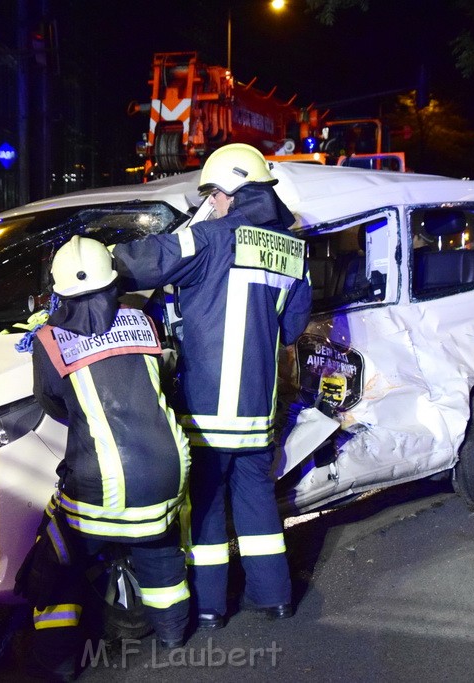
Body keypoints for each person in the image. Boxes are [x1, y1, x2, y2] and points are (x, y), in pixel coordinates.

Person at [111, 143, 313, 630]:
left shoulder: (210, 237)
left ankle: (208, 607)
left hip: (208, 410)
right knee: (256, 500)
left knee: (204, 510)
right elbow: (292, 327)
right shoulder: (293, 250)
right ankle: (276, 597)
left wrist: (90, 258)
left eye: (214, 195)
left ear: (227, 192)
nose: (213, 204)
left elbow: (142, 263)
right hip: (258, 409)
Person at [17, 235, 191, 679]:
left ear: (59, 291)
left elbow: (51, 403)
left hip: (102, 485)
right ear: (114, 283)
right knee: (160, 551)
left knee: (59, 562)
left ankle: (58, 661)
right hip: (168, 472)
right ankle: (173, 635)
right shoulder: (144, 323)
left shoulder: (50, 341)